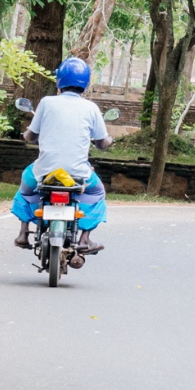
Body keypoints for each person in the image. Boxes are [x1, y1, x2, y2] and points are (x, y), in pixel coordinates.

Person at [12, 56, 113, 254]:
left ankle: (23, 233)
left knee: (25, 189)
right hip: (78, 175)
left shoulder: (46, 103)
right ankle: (85, 239)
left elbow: (31, 136)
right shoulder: (92, 108)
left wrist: (26, 134)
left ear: (59, 81)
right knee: (98, 192)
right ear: (85, 83)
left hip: (44, 173)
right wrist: (109, 140)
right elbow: (102, 143)